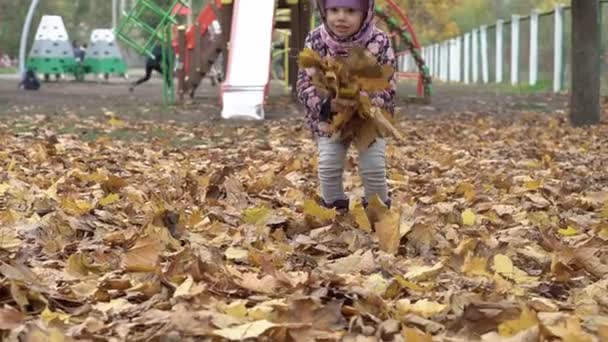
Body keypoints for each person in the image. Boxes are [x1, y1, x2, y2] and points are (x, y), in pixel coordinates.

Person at [296, 0, 396, 211]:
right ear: (324, 11)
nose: (341, 17)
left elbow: (388, 84)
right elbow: (304, 83)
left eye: (350, 11)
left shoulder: (378, 41)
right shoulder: (316, 40)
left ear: (364, 13)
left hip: (368, 118)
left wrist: (364, 100)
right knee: (329, 166)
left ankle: (378, 213)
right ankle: (334, 211)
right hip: (330, 117)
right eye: (334, 10)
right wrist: (326, 105)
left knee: (373, 167)